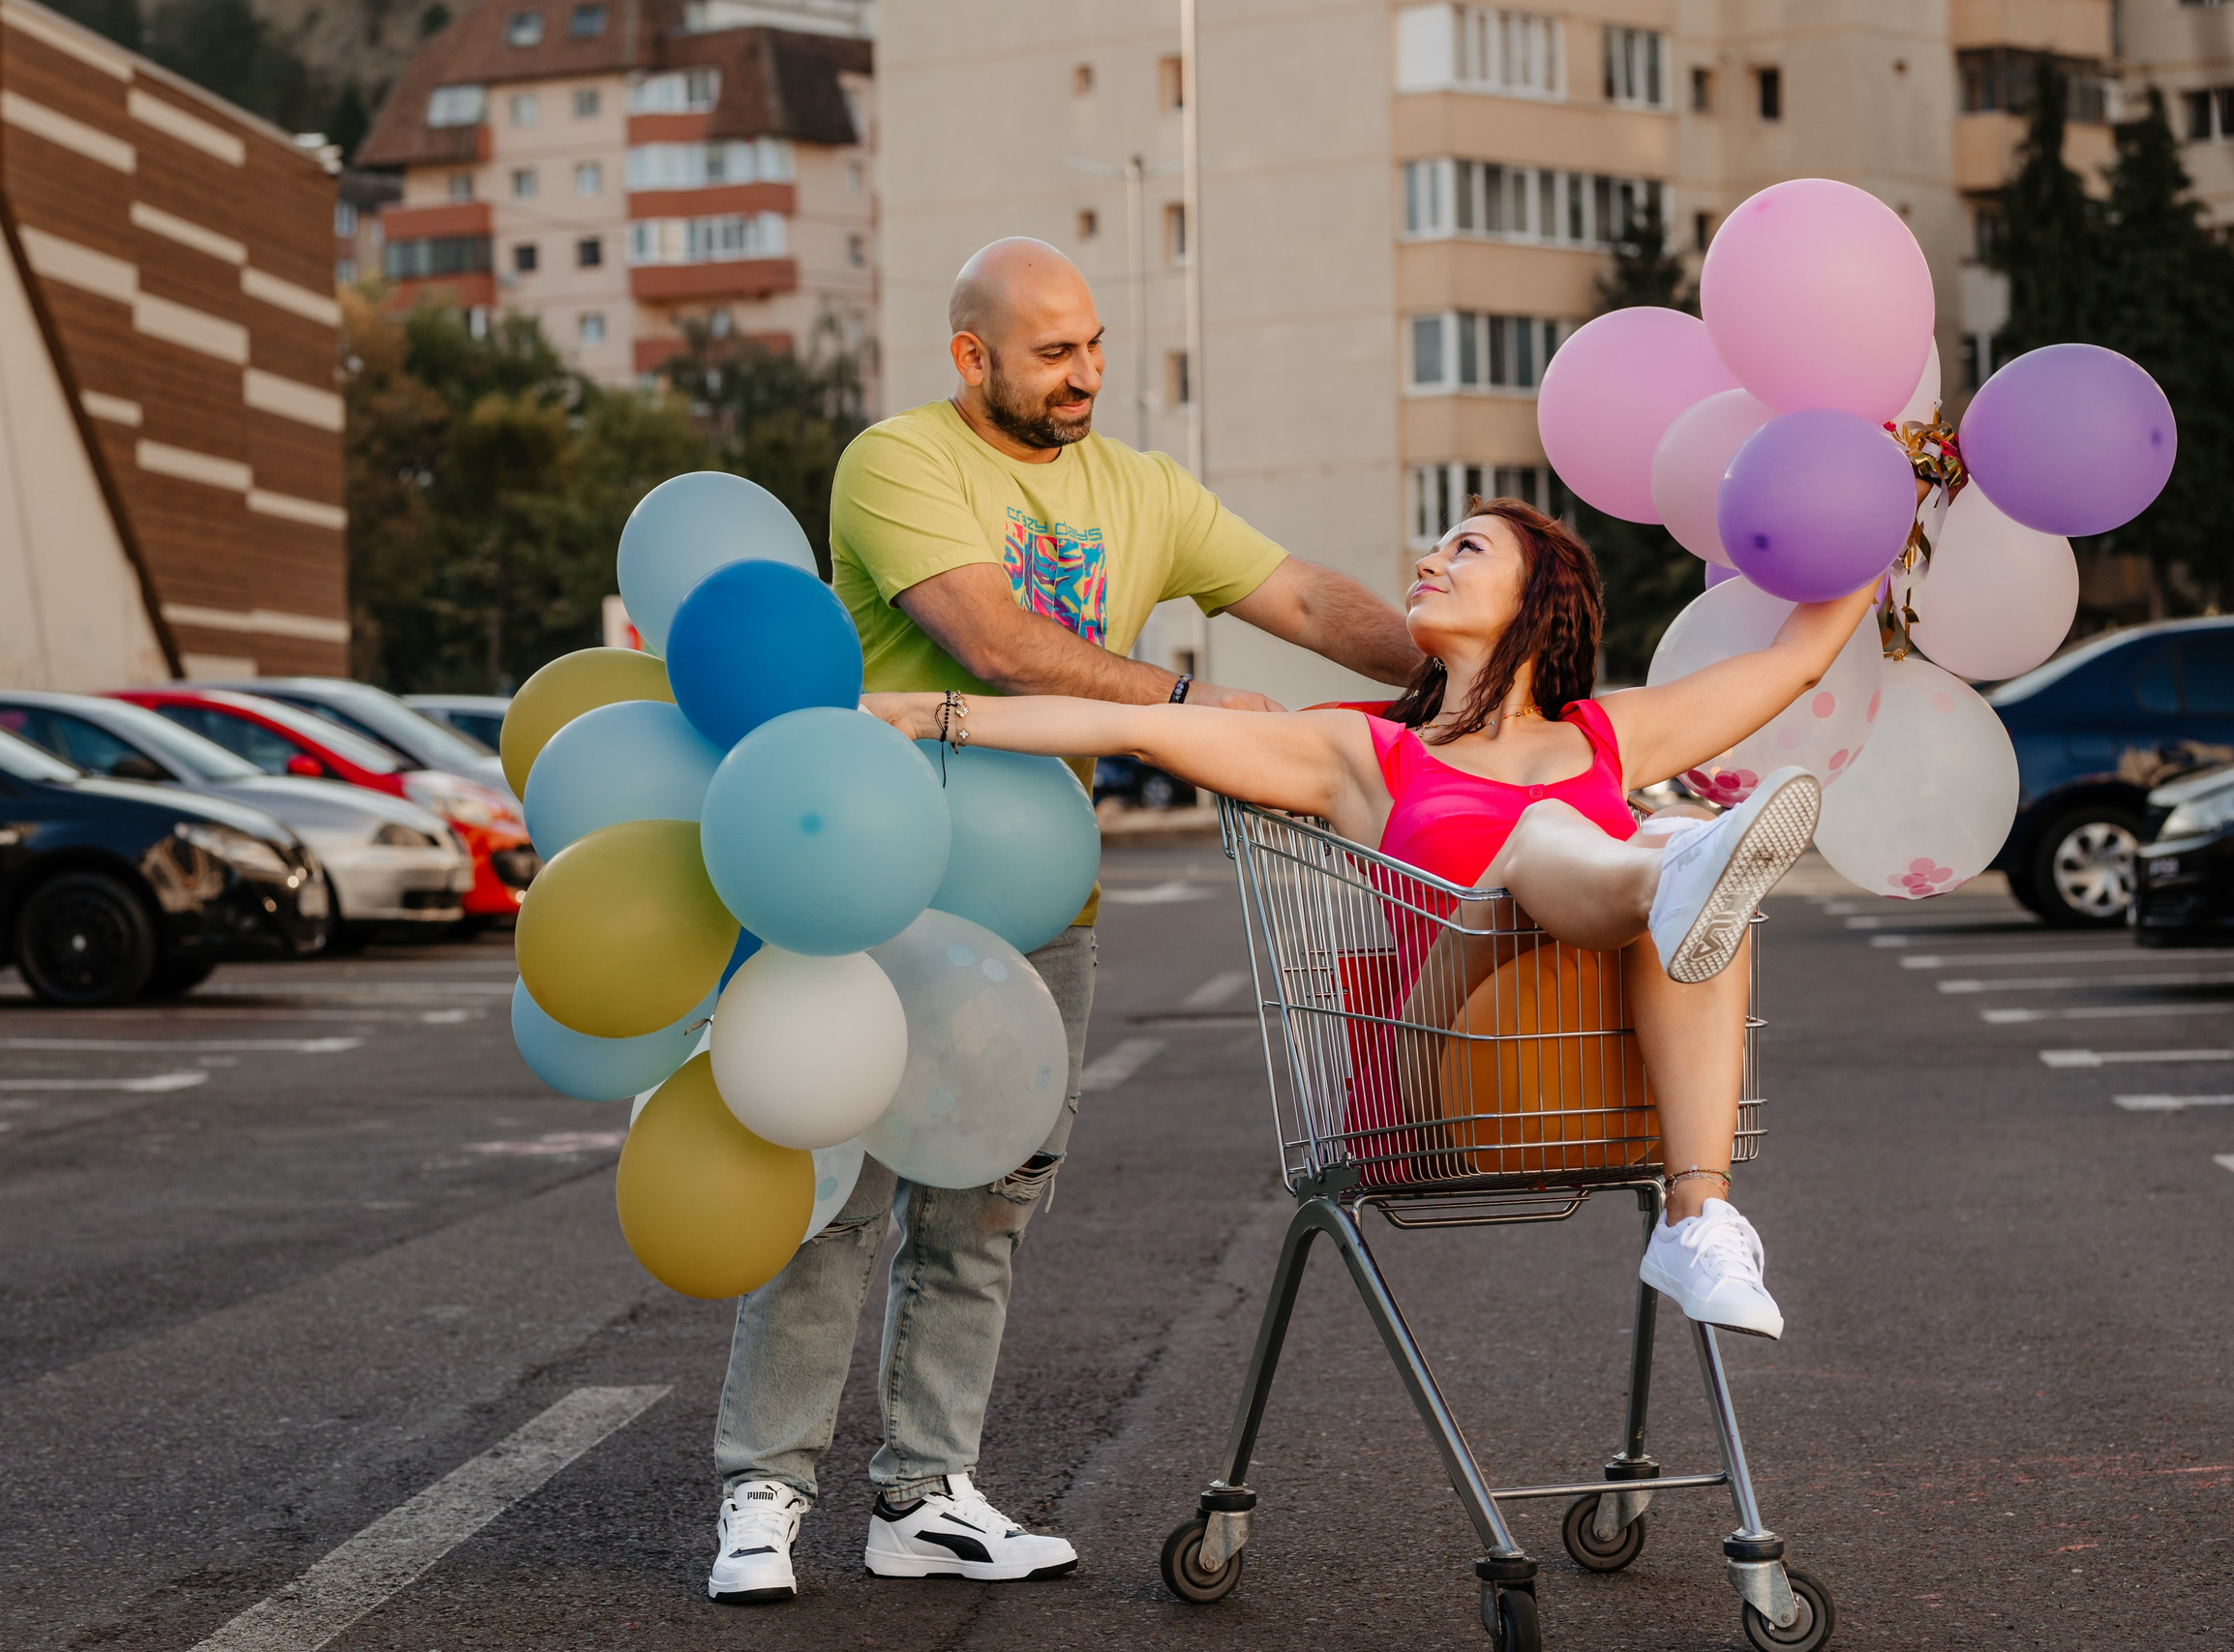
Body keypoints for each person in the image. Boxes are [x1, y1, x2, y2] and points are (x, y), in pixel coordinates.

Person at [706, 237, 1422, 1604]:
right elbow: (995, 642)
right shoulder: (898, 459)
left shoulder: (1141, 486)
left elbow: (1310, 600)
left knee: (986, 1201)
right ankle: (763, 1487)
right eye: (1053, 352)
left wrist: (1472, 671)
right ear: (972, 356)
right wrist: (1189, 702)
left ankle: (924, 1494)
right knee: (835, 1196)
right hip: (871, 888)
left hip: (1042, 902)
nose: (1086, 374)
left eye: (1094, 344)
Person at [867, 496, 1876, 1342]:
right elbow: (1132, 724)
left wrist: (1894, 505)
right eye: (1436, 545)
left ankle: (1698, 1219)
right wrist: (928, 714)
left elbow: (1793, 659)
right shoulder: (1364, 754)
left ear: (1537, 599)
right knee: (1572, 846)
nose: (1427, 561)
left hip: (1590, 1074)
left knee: (1682, 858)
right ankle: (1682, 867)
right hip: (1438, 1072)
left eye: (1464, 548)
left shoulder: (1609, 735)